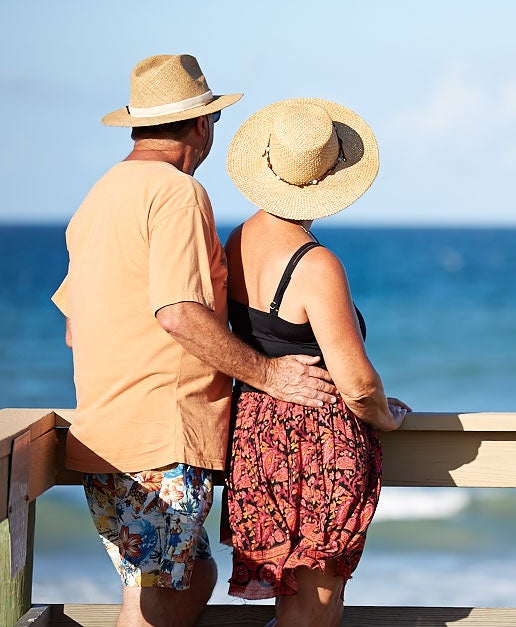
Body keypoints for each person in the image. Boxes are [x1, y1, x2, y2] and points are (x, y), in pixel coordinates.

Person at [51, 55, 338, 627]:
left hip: (106, 434)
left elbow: (73, 327)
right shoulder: (177, 192)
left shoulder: (99, 197)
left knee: (174, 582)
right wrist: (272, 374)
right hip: (163, 438)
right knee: (164, 601)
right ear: (202, 125)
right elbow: (179, 312)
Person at [220, 98, 410, 627]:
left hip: (259, 432)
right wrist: (385, 415)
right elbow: (355, 381)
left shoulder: (238, 240)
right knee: (317, 604)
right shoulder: (316, 263)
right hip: (317, 440)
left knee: (292, 595)